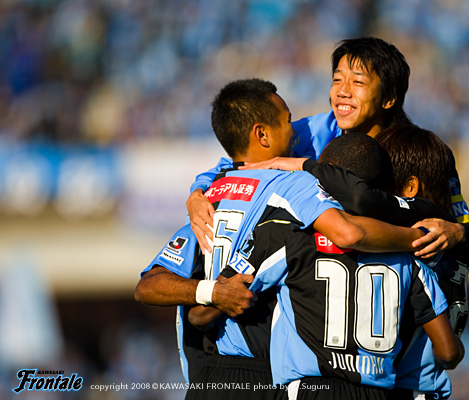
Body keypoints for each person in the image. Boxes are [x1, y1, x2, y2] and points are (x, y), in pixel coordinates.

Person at [135, 78, 430, 398]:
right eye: (288, 121)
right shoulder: (292, 186)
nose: (294, 131)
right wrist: (420, 237)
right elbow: (349, 232)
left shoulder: (208, 199)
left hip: (209, 377)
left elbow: (148, 285)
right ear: (262, 134)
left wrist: (211, 292)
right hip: (265, 374)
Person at [190, 132, 464, 400]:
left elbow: (200, 316)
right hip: (380, 392)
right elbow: (449, 353)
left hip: (308, 389)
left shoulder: (286, 234)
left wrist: (212, 303)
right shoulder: (409, 253)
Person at [185, 37, 469, 260]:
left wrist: (458, 233)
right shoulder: (315, 132)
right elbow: (244, 160)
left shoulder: (423, 153)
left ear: (389, 98)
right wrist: (197, 193)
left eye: (358, 82)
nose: (342, 91)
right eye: (337, 79)